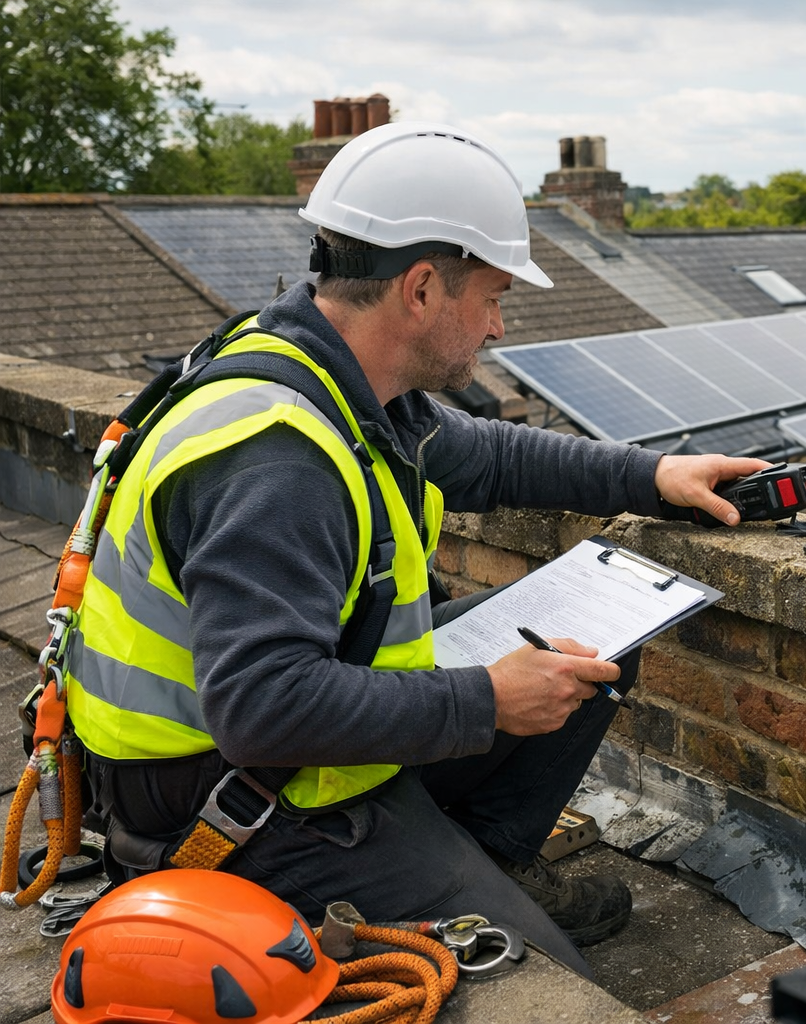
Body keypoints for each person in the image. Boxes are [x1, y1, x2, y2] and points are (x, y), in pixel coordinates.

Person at [63, 121, 769, 978]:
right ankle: (439, 876)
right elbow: (262, 710)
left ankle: (478, 859)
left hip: (287, 763)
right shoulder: (277, 458)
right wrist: (484, 702)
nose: (501, 326)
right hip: (233, 809)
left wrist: (656, 476)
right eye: (494, 296)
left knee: (598, 637)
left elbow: (495, 454)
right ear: (424, 289)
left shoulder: (346, 381)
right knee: (551, 990)